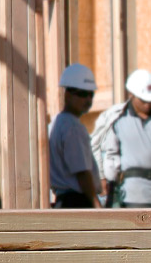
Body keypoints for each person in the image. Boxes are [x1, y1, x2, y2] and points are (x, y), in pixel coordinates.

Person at [90, 69, 151, 208]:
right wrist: (102, 177)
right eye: (143, 99)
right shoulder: (115, 117)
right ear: (131, 94)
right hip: (131, 198)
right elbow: (99, 147)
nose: (148, 104)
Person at [48, 64, 101, 208]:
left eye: (91, 94)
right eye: (83, 94)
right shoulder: (73, 127)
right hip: (78, 202)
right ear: (68, 94)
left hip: (64, 201)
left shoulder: (57, 123)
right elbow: (82, 173)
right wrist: (96, 205)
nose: (88, 100)